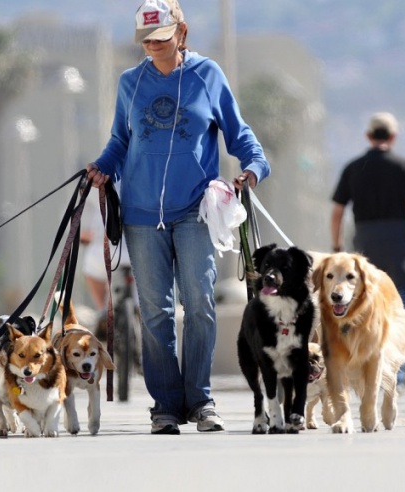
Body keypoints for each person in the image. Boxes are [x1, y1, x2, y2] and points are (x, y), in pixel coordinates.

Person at [86, 0, 270, 435]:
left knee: (201, 304)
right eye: (146, 41)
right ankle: (165, 405)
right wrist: (101, 167)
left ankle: (201, 401)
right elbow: (119, 141)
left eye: (161, 40)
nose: (153, 48)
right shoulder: (131, 82)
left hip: (194, 211)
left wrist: (253, 168)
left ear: (181, 33)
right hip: (141, 215)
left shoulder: (208, 76)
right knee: (155, 312)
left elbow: (239, 135)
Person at [330, 111, 405, 385]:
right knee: (398, 311)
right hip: (399, 249)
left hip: (365, 249)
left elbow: (337, 212)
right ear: (392, 137)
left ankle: (365, 371)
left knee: (364, 309)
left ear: (369, 136)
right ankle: (396, 374)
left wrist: (337, 247)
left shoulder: (353, 167)